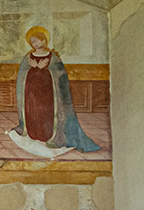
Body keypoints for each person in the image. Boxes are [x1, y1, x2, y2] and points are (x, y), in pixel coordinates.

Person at [9, 26, 100, 156]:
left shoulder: (53, 57)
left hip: (49, 92)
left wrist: (44, 69)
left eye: (38, 40)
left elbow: (60, 76)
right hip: (32, 92)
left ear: (44, 40)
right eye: (33, 42)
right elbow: (21, 76)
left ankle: (50, 136)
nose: (35, 44)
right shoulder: (28, 57)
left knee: (48, 112)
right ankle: (33, 132)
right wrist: (33, 68)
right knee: (34, 111)